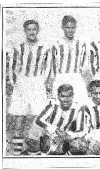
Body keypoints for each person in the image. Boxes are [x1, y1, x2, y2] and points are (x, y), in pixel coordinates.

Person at [6, 20, 50, 155]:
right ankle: (17, 150)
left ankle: (36, 146)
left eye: (34, 29)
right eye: (29, 29)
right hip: (22, 84)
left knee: (39, 116)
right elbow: (12, 68)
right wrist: (15, 84)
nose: (32, 32)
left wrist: (42, 82)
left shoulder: (44, 48)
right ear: (25, 31)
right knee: (19, 118)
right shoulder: (19, 48)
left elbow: (48, 68)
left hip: (37, 84)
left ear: (38, 30)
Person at [33, 84, 86, 155]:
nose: (66, 100)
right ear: (58, 96)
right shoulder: (54, 105)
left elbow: (81, 130)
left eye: (69, 96)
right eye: (63, 96)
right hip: (50, 136)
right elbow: (39, 120)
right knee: (44, 143)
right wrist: (55, 129)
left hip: (66, 137)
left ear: (72, 96)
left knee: (81, 145)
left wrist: (65, 137)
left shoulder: (78, 108)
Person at [49, 15, 88, 107]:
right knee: (60, 106)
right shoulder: (57, 44)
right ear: (62, 27)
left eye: (73, 27)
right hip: (61, 77)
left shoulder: (81, 44)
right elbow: (53, 64)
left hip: (76, 77)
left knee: (80, 105)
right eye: (67, 27)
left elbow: (82, 63)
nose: (70, 30)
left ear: (76, 27)